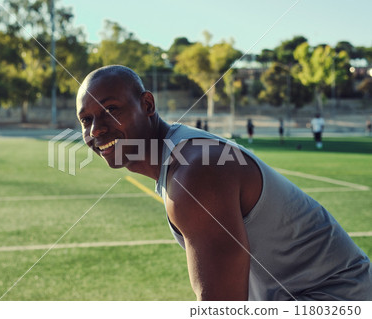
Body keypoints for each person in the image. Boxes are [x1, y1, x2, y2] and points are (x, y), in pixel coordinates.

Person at [76, 65, 372, 301]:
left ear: (148, 105)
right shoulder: (180, 157)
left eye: (111, 110)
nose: (96, 129)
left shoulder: (196, 173)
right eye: (85, 120)